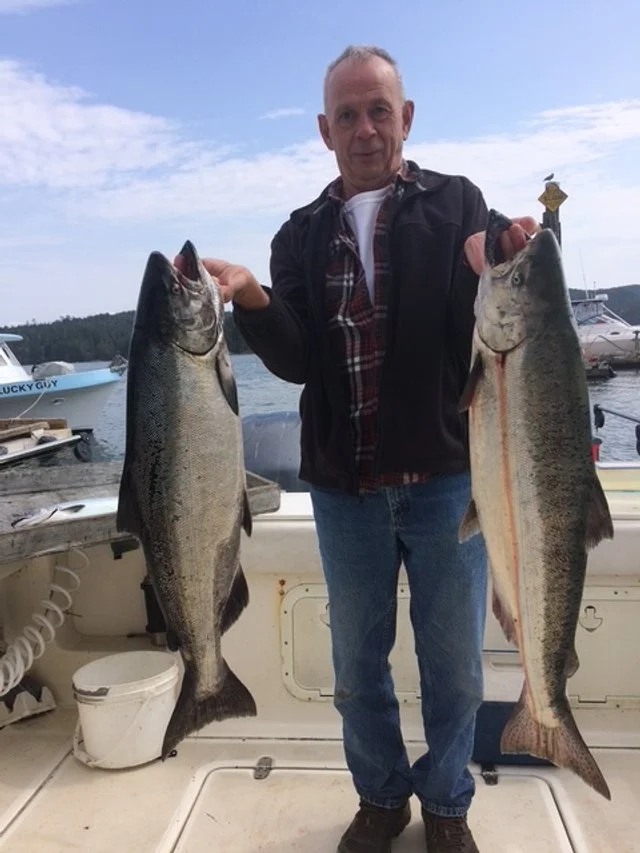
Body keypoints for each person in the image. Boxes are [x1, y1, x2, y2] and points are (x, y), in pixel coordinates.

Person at [177, 45, 539, 853]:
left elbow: (480, 335)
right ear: (323, 130)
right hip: (346, 491)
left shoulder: (457, 205)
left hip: (449, 480)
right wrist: (257, 301)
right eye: (348, 114)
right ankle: (383, 797)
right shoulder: (298, 234)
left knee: (454, 670)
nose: (365, 127)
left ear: (406, 118)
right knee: (354, 672)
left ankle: (446, 806)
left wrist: (501, 265)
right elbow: (299, 359)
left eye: (379, 109)